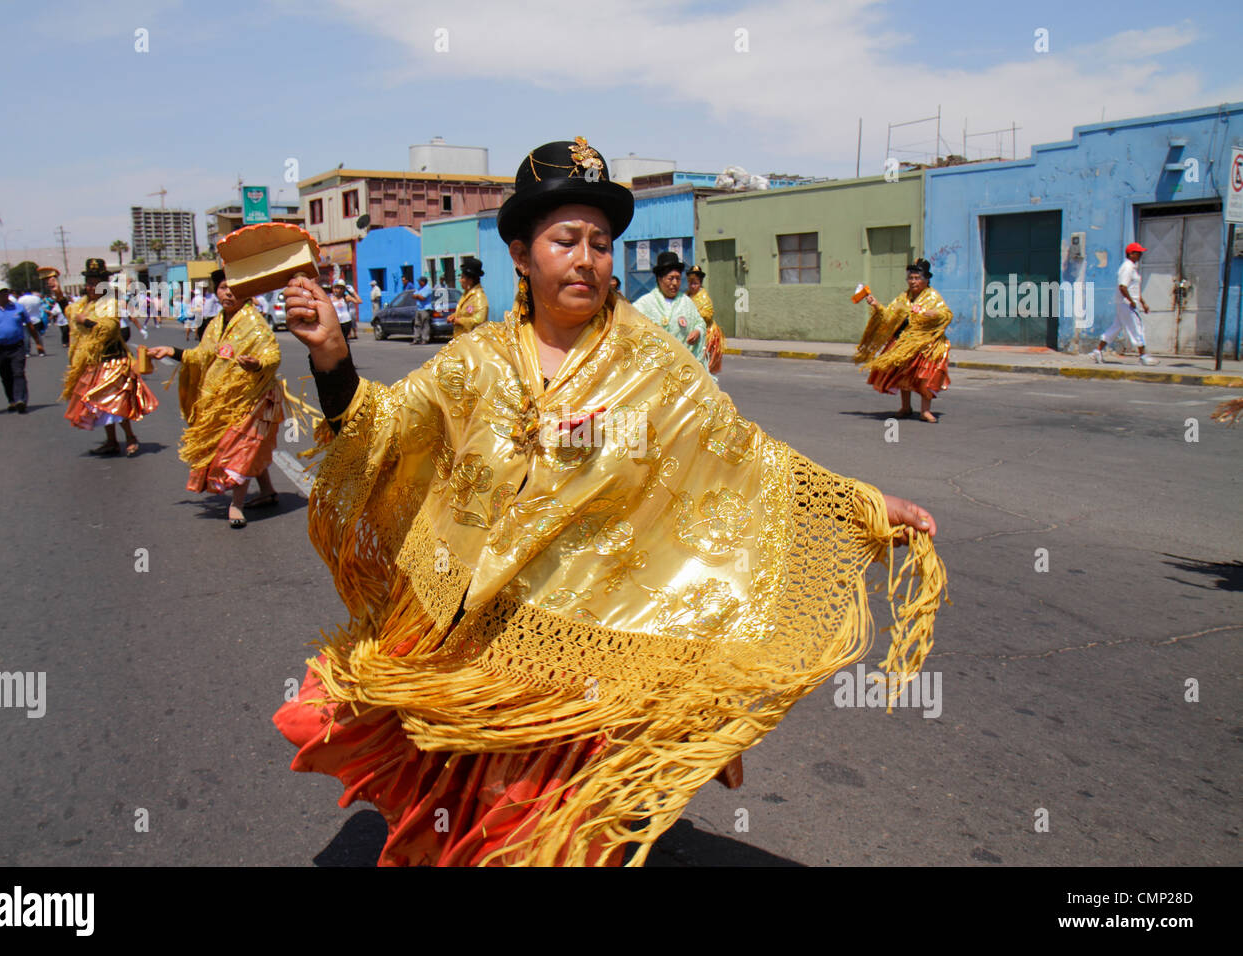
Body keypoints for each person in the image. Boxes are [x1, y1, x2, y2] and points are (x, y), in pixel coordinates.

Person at [273, 138, 945, 867]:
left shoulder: (653, 365)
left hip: (593, 640)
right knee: (474, 805)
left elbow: (742, 455)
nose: (587, 258)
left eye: (600, 242)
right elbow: (387, 433)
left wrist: (861, 501)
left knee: (548, 826)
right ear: (523, 257)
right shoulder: (475, 362)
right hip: (476, 630)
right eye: (566, 240)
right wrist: (333, 360)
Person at [148, 274, 283, 529]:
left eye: (235, 288)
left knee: (240, 449)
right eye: (223, 288)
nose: (228, 293)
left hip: (250, 399)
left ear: (246, 292)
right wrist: (172, 352)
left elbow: (273, 355)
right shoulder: (216, 322)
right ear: (216, 291)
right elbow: (202, 355)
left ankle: (237, 505)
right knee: (247, 448)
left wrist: (258, 364)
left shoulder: (255, 323)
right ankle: (267, 491)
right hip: (222, 400)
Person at [61, 258, 157, 456]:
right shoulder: (84, 304)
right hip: (95, 362)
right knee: (99, 404)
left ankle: (130, 437)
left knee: (117, 402)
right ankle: (112, 441)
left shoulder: (109, 302)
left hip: (113, 361)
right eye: (88, 283)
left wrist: (84, 321)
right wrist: (58, 295)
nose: (90, 287)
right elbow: (70, 312)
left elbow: (108, 327)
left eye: (95, 283)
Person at [854, 259, 952, 424]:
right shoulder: (903, 298)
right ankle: (905, 407)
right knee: (902, 374)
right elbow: (890, 315)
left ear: (926, 279)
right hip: (904, 342)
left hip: (926, 343)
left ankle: (925, 411)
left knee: (925, 376)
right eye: (910, 278)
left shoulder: (933, 297)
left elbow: (946, 314)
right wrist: (876, 305)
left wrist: (933, 314)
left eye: (917, 278)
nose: (913, 281)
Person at [632, 251, 708, 369]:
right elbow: (630, 325)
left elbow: (700, 322)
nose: (674, 283)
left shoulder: (686, 302)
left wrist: (697, 332)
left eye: (678, 279)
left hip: (682, 367)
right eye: (670, 278)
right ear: (660, 279)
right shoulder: (645, 303)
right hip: (654, 368)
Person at [1090, 242, 1158, 366]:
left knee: (1115, 328)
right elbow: (1123, 286)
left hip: (1126, 303)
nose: (1140, 255)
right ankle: (1143, 356)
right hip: (1127, 304)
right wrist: (1132, 301)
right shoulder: (1127, 267)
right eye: (1138, 253)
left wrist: (1142, 303)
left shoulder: (1132, 267)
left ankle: (1097, 351)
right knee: (1137, 328)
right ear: (1131, 254)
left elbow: (1134, 289)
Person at [0, 280, 44, 413]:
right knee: (5, 375)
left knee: (18, 373)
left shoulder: (18, 308)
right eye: (0, 292)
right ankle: (11, 400)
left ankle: (20, 400)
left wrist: (38, 343)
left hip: (17, 346)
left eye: (6, 291)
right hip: (0, 348)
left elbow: (30, 326)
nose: (4, 294)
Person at [687, 265, 724, 376]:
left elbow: (708, 315)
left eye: (695, 283)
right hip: (691, 331)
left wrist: (695, 316)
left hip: (706, 334)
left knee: (703, 363)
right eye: (691, 283)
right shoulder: (686, 295)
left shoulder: (703, 297)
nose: (693, 286)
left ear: (700, 283)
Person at [449, 256, 488, 337]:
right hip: (462, 339)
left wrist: (460, 321)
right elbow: (465, 313)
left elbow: (479, 320)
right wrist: (454, 316)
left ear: (470, 280)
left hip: (472, 342)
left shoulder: (479, 297)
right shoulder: (466, 294)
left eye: (462, 277)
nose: (460, 280)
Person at [411, 275, 432, 344]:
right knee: (417, 324)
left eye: (420, 281)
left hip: (425, 309)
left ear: (423, 282)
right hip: (419, 308)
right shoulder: (419, 288)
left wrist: (418, 296)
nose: (419, 283)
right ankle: (416, 338)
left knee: (425, 325)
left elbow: (423, 298)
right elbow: (413, 295)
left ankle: (425, 339)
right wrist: (418, 296)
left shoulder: (428, 288)